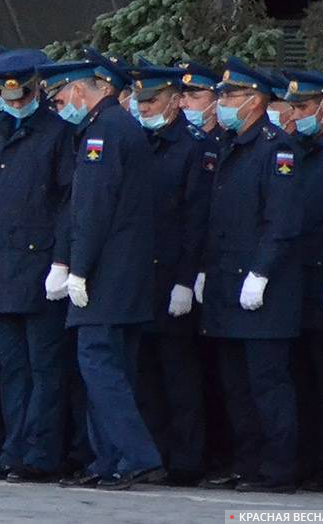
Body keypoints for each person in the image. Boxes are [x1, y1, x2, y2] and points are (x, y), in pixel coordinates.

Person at [48, 50, 164, 490]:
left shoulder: (103, 132)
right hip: (125, 272)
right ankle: (110, 460)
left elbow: (93, 208)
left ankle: (135, 456)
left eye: (60, 100)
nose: (61, 109)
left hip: (107, 274)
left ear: (79, 90)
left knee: (98, 364)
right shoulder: (116, 126)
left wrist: (78, 269)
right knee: (113, 367)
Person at [0, 50, 77, 483]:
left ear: (36, 88)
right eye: (6, 96)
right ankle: (14, 448)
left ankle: (41, 453)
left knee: (44, 368)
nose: (14, 103)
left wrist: (61, 260)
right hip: (2, 264)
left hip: (39, 264)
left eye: (21, 95)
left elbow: (68, 202)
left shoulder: (57, 134)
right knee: (11, 368)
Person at [197, 58, 303, 492]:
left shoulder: (275, 149)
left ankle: (278, 469)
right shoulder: (231, 145)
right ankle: (248, 464)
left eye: (231, 96)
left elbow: (281, 221)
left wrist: (260, 273)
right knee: (237, 386)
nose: (223, 103)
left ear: (255, 101)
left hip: (262, 290)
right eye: (221, 96)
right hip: (225, 282)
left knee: (267, 385)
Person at [123, 65, 211, 486]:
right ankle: (153, 454)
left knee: (179, 374)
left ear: (175, 100)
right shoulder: (140, 140)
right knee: (145, 373)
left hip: (173, 273)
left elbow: (196, 217)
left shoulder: (191, 147)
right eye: (140, 102)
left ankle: (187, 459)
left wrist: (185, 278)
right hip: (140, 274)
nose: (144, 109)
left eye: (152, 101)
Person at [276, 71, 323, 490]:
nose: (294, 115)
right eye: (293, 108)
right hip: (294, 284)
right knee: (301, 380)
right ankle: (308, 461)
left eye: (303, 107)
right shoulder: (299, 149)